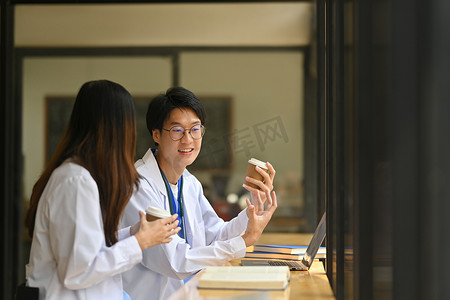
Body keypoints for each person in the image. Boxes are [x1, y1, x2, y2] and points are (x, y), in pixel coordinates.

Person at [24, 80, 181, 300]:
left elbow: (87, 247)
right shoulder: (76, 181)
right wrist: (140, 242)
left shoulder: (80, 176)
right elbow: (78, 271)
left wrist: (134, 233)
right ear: (118, 128)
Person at [120, 86, 277, 300]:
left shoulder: (189, 183)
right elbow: (176, 262)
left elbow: (216, 235)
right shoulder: (138, 185)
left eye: (195, 129)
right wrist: (243, 241)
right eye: (177, 130)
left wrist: (252, 212)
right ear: (156, 134)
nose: (188, 140)